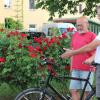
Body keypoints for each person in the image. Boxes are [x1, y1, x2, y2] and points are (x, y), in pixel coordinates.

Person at [61, 7, 100, 100]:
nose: (79, 27)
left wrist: (91, 59)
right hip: (76, 68)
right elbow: (72, 51)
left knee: (86, 92)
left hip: (87, 68)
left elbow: (93, 49)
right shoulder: (75, 35)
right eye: (77, 25)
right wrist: (71, 67)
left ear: (87, 25)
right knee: (73, 90)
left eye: (81, 25)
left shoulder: (92, 35)